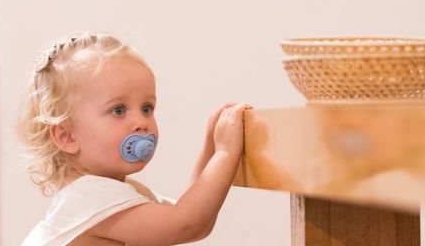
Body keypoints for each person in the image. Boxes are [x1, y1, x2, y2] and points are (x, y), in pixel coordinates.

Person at [17, 32, 251, 246]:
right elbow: (187, 224)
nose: (141, 122)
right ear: (67, 136)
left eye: (147, 108)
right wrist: (225, 153)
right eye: (118, 110)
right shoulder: (90, 198)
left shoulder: (108, 192)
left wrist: (211, 148)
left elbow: (196, 218)